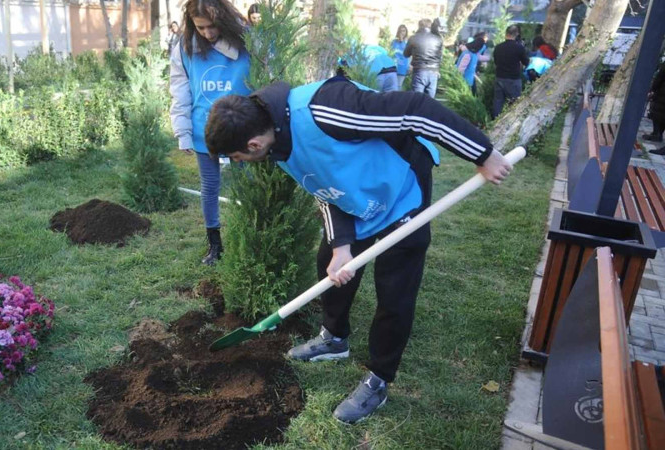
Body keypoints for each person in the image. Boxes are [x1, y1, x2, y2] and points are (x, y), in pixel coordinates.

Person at [204, 75, 512, 424]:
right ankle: (334, 339)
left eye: (237, 156)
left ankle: (379, 378)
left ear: (254, 143)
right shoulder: (278, 140)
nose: (240, 163)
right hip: (355, 192)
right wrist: (342, 245)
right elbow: (321, 184)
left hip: (400, 184)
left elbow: (416, 109)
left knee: (395, 284)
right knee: (331, 263)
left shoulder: (327, 109)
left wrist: (482, 153)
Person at [169, 0, 250, 265]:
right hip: (205, 128)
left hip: (242, 128)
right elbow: (180, 88)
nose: (207, 33)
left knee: (246, 184)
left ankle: (248, 236)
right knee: (210, 185)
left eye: (213, 26)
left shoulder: (246, 41)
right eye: (200, 27)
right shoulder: (184, 47)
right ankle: (214, 244)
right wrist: (182, 130)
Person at [492, 25, 529, 118]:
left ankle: (495, 122)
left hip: (499, 77)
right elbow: (526, 62)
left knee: (498, 102)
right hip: (513, 79)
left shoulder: (498, 47)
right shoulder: (519, 47)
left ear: (506, 34)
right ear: (516, 34)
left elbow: (496, 62)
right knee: (514, 103)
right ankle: (510, 122)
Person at [404, 18, 443, 98]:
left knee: (417, 100)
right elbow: (440, 56)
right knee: (430, 101)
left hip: (420, 70)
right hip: (434, 72)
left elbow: (406, 54)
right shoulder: (438, 39)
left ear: (419, 26)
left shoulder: (414, 38)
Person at [646, 61, 665, 149]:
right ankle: (658, 134)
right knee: (661, 115)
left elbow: (660, 76)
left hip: (662, 93)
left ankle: (656, 133)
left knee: (657, 113)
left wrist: (653, 88)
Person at [390, 25, 410, 90]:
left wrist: (409, 66)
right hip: (393, 66)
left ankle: (397, 99)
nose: (402, 32)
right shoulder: (394, 42)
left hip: (403, 67)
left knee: (398, 85)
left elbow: (410, 55)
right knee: (392, 85)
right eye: (401, 31)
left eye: (404, 31)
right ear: (398, 32)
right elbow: (390, 53)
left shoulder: (408, 43)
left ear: (406, 32)